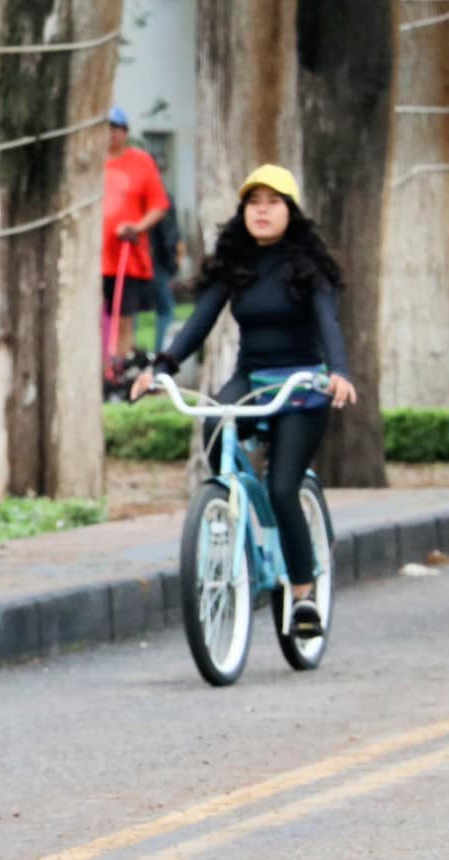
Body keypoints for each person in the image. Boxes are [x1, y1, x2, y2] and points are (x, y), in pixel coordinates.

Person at [131, 164, 357, 636]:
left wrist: (338, 372)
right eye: (254, 202)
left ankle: (302, 595)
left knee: (281, 488)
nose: (262, 210)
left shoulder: (308, 266)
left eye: (273, 202)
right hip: (252, 377)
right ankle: (228, 509)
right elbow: (200, 321)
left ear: (290, 212)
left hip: (301, 387)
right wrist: (162, 367)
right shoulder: (236, 262)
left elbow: (328, 323)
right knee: (212, 420)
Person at [103, 106, 169, 363]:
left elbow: (159, 205)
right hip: (94, 258)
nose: (110, 135)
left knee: (124, 315)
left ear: (125, 132)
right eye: (106, 129)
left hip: (125, 255)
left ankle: (120, 366)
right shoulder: (89, 162)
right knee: (96, 314)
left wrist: (137, 228)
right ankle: (99, 368)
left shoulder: (140, 162)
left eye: (115, 129)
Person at [150, 196, 185, 353]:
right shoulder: (162, 199)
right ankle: (159, 356)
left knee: (131, 314)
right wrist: (172, 267)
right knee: (166, 311)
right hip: (158, 264)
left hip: (139, 263)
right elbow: (170, 237)